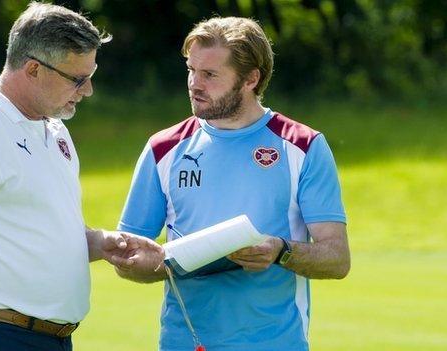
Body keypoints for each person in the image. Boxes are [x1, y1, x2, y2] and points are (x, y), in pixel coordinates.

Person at [0, 3, 157, 351]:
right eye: (78, 79)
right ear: (33, 69)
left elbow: (36, 232)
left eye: (91, 75)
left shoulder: (54, 128)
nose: (88, 91)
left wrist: (100, 243)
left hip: (51, 339)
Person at [115, 16, 351, 351]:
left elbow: (337, 258)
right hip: (185, 343)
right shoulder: (163, 148)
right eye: (190, 70)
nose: (194, 84)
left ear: (251, 78)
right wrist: (162, 261)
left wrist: (280, 252)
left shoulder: (302, 145)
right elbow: (130, 260)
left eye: (209, 75)